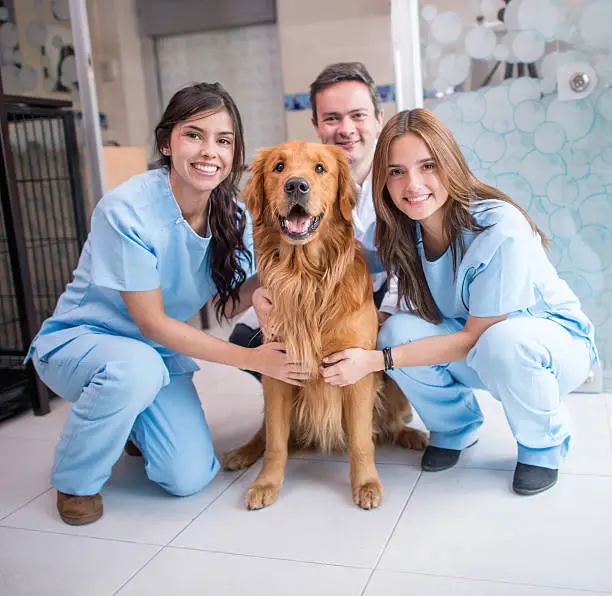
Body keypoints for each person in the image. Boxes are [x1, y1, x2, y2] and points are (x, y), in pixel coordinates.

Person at [25, 82, 308, 526]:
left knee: (188, 476)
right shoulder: (126, 210)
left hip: (155, 354)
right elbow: (153, 324)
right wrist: (253, 358)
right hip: (85, 343)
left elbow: (229, 301)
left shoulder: (233, 216)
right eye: (194, 135)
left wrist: (260, 289)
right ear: (166, 142)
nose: (209, 151)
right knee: (133, 371)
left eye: (223, 140)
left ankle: (132, 419)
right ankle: (76, 481)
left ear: (235, 153)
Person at [319, 108, 598, 496]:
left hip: (547, 350)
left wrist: (374, 362)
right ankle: (454, 426)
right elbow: (340, 256)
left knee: (503, 340)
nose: (412, 184)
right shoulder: (404, 230)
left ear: (450, 164)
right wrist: (267, 285)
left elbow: (474, 338)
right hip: (481, 350)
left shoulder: (500, 225)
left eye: (427, 165)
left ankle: (543, 443)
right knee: (396, 330)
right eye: (396, 171)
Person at [230, 61, 387, 367]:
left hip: (383, 299)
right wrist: (265, 292)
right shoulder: (297, 179)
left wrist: (367, 322)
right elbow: (273, 253)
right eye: (332, 118)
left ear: (379, 119)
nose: (345, 129)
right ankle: (307, 401)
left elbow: (419, 270)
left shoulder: (403, 179)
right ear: (316, 125)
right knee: (245, 339)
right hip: (314, 293)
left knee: (397, 336)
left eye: (358, 116)